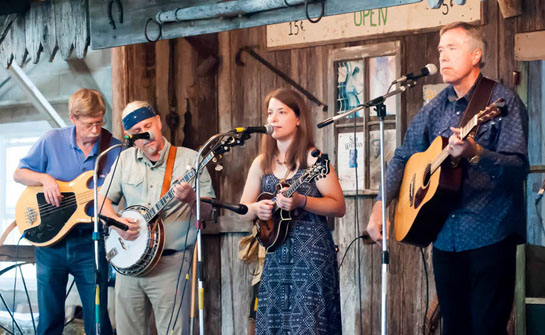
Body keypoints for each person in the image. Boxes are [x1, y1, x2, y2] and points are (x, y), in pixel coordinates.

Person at [366, 22, 529, 335]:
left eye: (452, 48)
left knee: (487, 329)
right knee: (452, 329)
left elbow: (518, 168)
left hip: (490, 233)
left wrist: (475, 152)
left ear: (475, 55)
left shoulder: (501, 101)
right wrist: (379, 204)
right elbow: (402, 157)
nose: (442, 56)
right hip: (445, 238)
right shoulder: (435, 107)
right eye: (440, 50)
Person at [98, 101, 214, 335]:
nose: (146, 135)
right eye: (136, 132)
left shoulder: (190, 159)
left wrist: (192, 198)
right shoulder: (124, 159)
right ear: (130, 136)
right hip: (128, 265)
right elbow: (101, 202)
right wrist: (117, 224)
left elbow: (209, 212)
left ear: (159, 122)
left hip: (170, 265)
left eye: (148, 125)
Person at [240, 88, 346, 335]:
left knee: (309, 323)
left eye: (281, 112)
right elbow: (243, 210)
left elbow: (338, 206)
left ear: (298, 118)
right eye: (270, 113)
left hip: (311, 254)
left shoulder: (314, 159)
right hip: (276, 255)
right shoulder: (262, 162)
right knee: (275, 324)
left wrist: (302, 201)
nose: (273, 119)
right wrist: (258, 208)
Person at [14, 88, 118, 335]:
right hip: (50, 244)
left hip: (90, 243)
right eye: (89, 124)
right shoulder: (51, 140)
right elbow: (19, 173)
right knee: (49, 319)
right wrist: (44, 178)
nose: (95, 130)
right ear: (73, 118)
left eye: (99, 122)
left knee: (98, 320)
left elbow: (118, 194)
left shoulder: (113, 150)